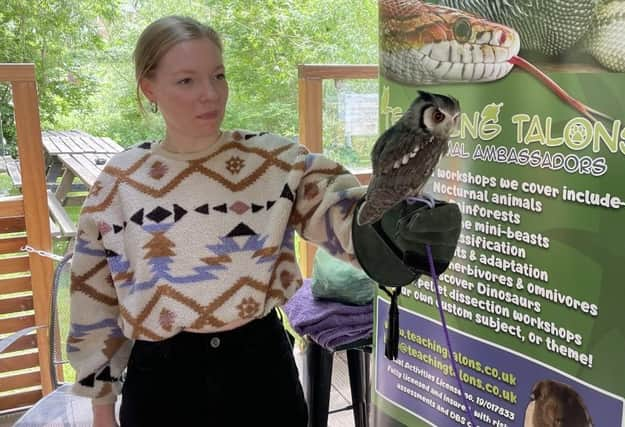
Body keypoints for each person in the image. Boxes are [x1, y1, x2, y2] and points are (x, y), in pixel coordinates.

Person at [67, 15, 462, 427]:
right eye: (187, 81)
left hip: (258, 369)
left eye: (218, 76)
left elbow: (344, 211)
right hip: (164, 383)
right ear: (149, 87)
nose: (210, 93)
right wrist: (100, 406)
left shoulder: (277, 162)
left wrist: (396, 228)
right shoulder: (119, 183)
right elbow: (94, 300)